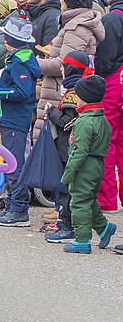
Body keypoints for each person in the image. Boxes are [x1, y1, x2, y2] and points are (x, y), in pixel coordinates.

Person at [33, 0, 104, 138]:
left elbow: (64, 65)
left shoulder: (76, 28)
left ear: (69, 1)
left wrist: (34, 62)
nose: (60, 2)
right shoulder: (77, 24)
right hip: (61, 91)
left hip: (59, 94)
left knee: (49, 149)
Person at [0, 17, 41, 228]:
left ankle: (19, 210)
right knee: (11, 163)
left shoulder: (20, 63)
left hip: (15, 120)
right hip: (10, 119)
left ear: (10, 39)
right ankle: (12, 205)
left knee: (14, 165)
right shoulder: (19, 59)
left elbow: (21, 92)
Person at [60, 75, 117, 253]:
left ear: (84, 97)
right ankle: (104, 228)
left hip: (84, 166)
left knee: (78, 203)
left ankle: (82, 240)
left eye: (77, 94)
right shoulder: (102, 119)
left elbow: (79, 152)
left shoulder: (84, 121)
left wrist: (69, 173)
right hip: (98, 164)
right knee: (88, 199)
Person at [43, 51, 92, 242]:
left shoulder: (73, 94)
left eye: (63, 66)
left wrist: (52, 111)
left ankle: (67, 226)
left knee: (66, 190)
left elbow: (67, 122)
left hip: (67, 149)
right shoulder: (78, 89)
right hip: (69, 148)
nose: (61, 70)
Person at [94, 0, 123, 211]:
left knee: (107, 141)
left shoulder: (113, 18)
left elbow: (105, 61)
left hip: (114, 84)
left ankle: (106, 198)